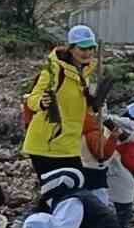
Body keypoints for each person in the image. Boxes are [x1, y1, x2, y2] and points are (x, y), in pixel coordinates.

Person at [22, 25, 99, 178]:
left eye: (91, 48)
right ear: (71, 48)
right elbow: (32, 98)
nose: (87, 52)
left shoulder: (85, 74)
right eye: (82, 48)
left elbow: (78, 109)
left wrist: (93, 105)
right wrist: (42, 103)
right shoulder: (54, 71)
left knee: (68, 192)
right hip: (46, 145)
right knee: (58, 194)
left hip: (70, 145)